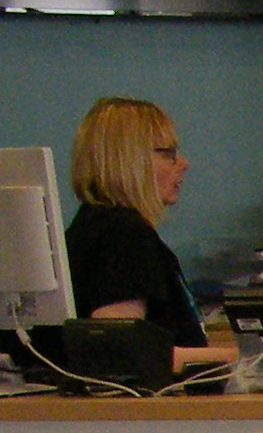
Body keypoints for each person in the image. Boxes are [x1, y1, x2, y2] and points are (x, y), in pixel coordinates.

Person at [63, 97, 213, 357]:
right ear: (130, 161)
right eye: (169, 154)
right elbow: (120, 353)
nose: (183, 164)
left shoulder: (91, 226)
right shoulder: (123, 236)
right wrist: (235, 360)